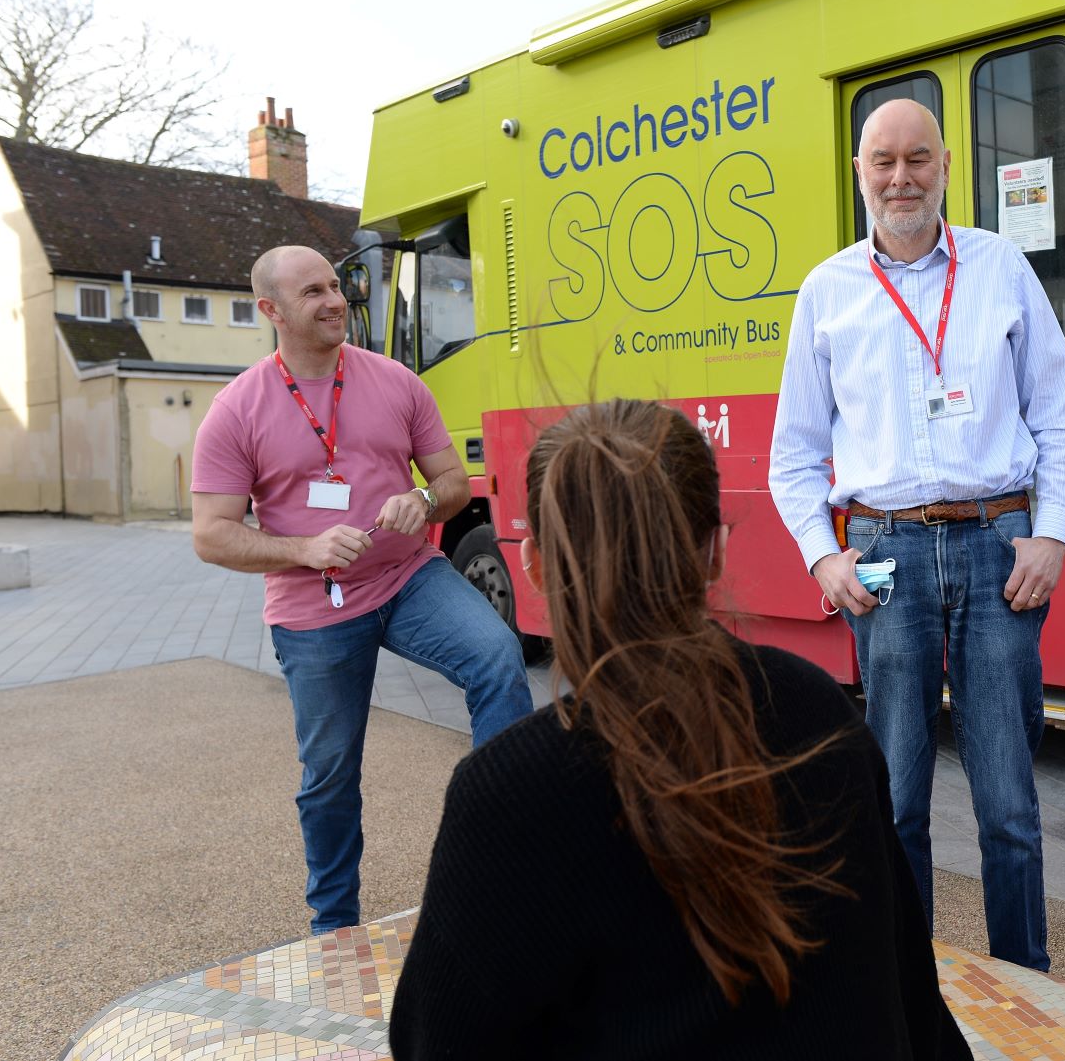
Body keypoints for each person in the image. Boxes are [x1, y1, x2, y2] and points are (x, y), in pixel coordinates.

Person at [388, 399, 971, 1060]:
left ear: (536, 568)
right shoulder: (821, 713)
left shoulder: (508, 792)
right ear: (715, 551)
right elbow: (909, 991)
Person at [769, 99, 1065, 972]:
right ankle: (907, 989)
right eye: (883, 161)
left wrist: (1052, 535)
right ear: (859, 175)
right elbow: (792, 454)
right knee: (895, 801)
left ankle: (1026, 987)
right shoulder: (827, 290)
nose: (900, 177)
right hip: (883, 556)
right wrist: (822, 553)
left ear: (947, 166)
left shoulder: (999, 268)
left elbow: (1062, 419)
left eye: (917, 159)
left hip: (998, 549)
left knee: (1009, 810)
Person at [191, 245, 534, 935]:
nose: (332, 300)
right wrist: (301, 548)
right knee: (329, 775)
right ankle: (333, 926)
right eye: (311, 291)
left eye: (335, 285)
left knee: (498, 659)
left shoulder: (396, 381)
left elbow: (452, 483)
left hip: (407, 576)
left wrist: (422, 500)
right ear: (271, 311)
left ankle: (505, 857)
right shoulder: (236, 410)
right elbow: (211, 533)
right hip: (312, 606)